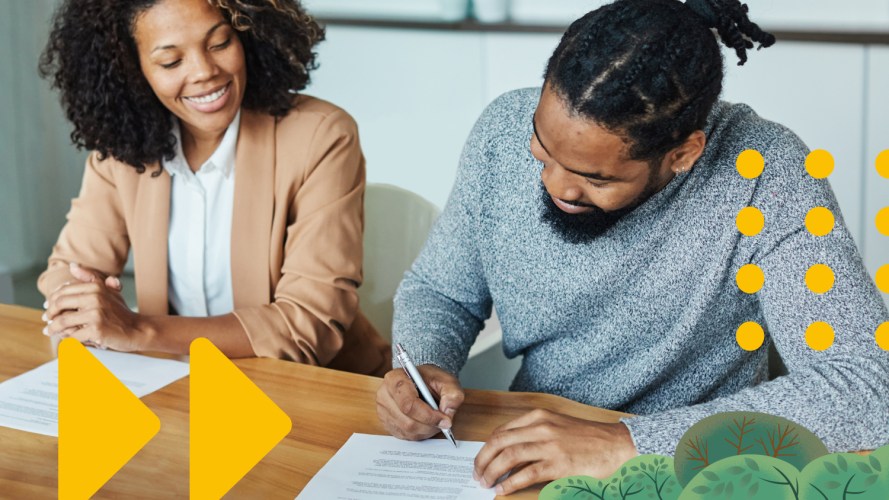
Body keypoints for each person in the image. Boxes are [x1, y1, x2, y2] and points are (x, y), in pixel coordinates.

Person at [376, 0, 889, 494]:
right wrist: (425, 365)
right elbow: (441, 290)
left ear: (684, 154)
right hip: (529, 458)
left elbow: (868, 386)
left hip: (701, 472)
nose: (557, 185)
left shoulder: (765, 173)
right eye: (543, 147)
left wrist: (629, 444)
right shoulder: (500, 132)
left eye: (594, 177)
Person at [37, 0, 390, 376]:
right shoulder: (123, 151)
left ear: (248, 34)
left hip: (321, 394)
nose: (205, 71)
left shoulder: (321, 136)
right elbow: (69, 269)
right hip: (180, 391)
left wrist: (138, 329)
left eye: (220, 43)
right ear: (132, 70)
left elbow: (307, 325)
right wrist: (81, 301)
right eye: (171, 62)